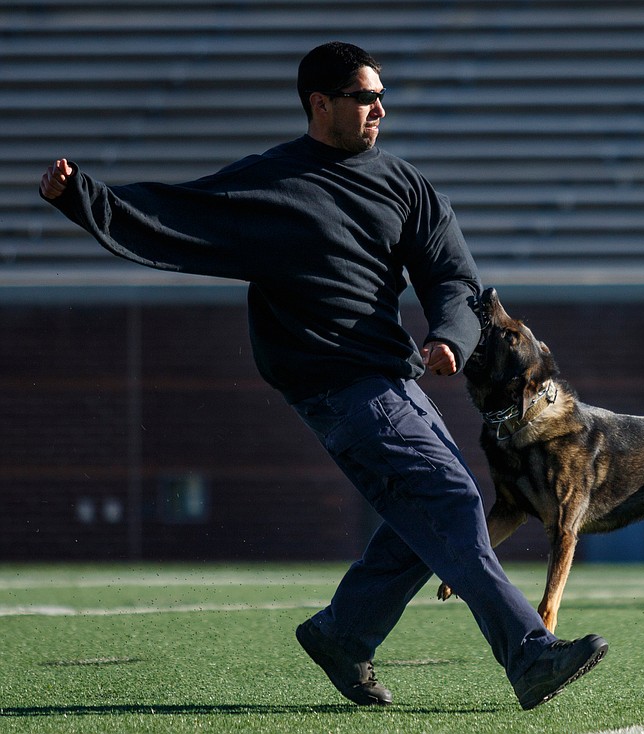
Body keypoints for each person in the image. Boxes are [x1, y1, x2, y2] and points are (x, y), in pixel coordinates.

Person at [39, 41, 606, 710]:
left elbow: (453, 278)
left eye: (381, 97)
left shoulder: (405, 185)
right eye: (365, 98)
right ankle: (529, 653)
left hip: (395, 380)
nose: (380, 109)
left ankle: (343, 634)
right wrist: (81, 199)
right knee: (450, 499)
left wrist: (449, 335)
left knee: (422, 518)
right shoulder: (270, 184)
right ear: (320, 104)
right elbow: (172, 216)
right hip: (337, 387)